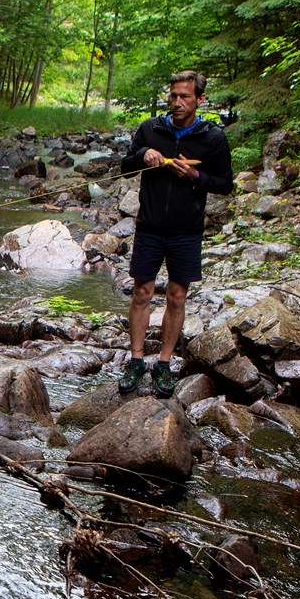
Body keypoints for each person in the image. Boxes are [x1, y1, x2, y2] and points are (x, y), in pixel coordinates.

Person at [118, 70, 233, 397]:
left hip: (186, 229)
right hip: (150, 226)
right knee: (141, 293)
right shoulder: (151, 129)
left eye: (185, 96)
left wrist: (196, 176)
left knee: (177, 296)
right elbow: (125, 166)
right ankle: (137, 360)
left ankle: (164, 364)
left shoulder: (213, 139)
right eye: (174, 96)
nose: (178, 102)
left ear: (200, 99)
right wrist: (143, 155)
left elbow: (225, 184)